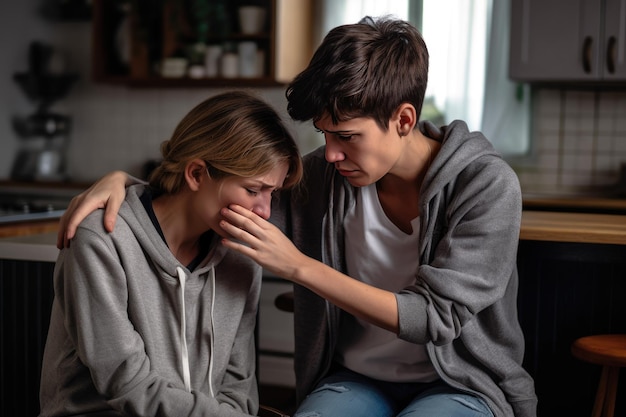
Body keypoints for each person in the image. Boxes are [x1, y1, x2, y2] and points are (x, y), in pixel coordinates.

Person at [56, 16, 537, 417]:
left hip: (460, 384)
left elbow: (435, 316)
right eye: (324, 135)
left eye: (346, 136)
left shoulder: (486, 185)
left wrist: (299, 266)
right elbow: (212, 193)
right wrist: (124, 181)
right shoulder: (326, 178)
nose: (328, 154)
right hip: (354, 381)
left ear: (404, 120)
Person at [40, 91, 303, 417]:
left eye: (272, 192)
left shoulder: (240, 253)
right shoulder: (101, 241)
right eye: (252, 190)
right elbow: (128, 386)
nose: (264, 211)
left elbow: (238, 388)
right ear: (195, 174)